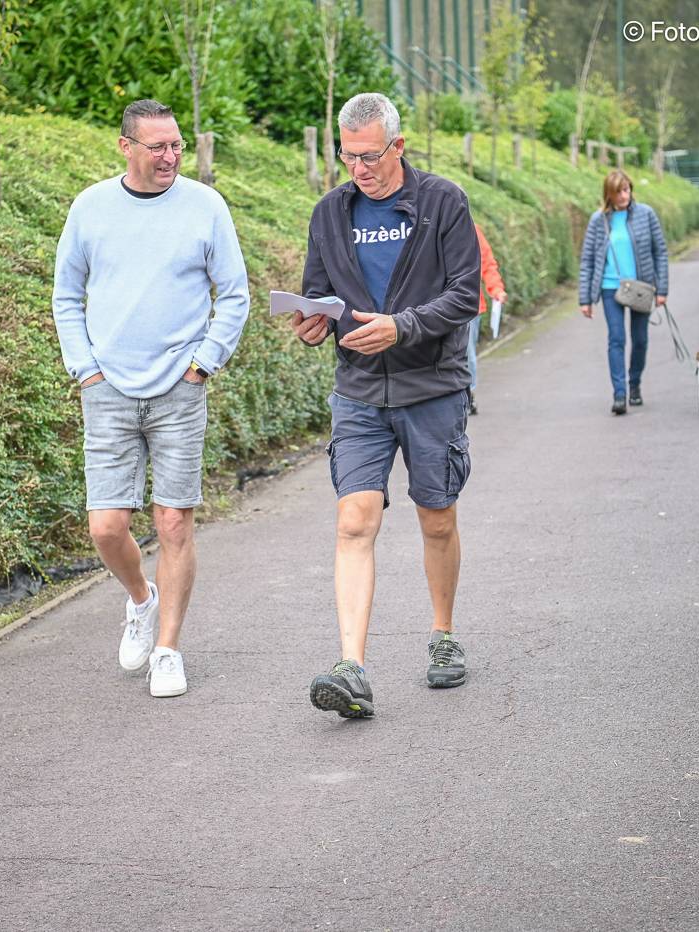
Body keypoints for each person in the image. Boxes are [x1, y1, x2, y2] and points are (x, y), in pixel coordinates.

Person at [290, 92, 480, 718]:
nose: (359, 169)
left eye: (369, 156)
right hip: (361, 392)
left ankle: (443, 636)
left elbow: (464, 296)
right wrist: (312, 321)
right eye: (348, 157)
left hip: (432, 387)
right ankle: (353, 668)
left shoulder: (442, 203)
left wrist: (403, 325)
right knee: (354, 521)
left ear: (398, 146)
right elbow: (318, 292)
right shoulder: (330, 213)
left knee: (437, 519)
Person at [52, 99, 250, 699]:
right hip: (107, 387)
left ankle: (168, 649)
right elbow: (66, 296)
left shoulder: (205, 206)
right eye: (157, 146)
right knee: (106, 527)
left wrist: (202, 365)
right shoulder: (90, 208)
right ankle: (141, 599)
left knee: (173, 521)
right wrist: (85, 370)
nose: (170, 157)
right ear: (126, 147)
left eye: (176, 146)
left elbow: (234, 295)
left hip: (179, 388)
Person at [577, 170, 670, 414]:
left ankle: (635, 382)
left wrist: (662, 290)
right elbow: (587, 259)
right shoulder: (599, 220)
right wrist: (585, 299)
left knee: (640, 340)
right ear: (609, 193)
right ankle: (620, 394)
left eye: (627, 189)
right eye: (618, 191)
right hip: (611, 288)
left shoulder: (645, 214)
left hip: (641, 286)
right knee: (616, 339)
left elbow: (660, 251)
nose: (624, 195)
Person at [466, 223, 508, 415]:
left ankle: (469, 394)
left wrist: (496, 289)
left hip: (468, 306)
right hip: (430, 308)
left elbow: (487, 262)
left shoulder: (470, 228)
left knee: (467, 353)